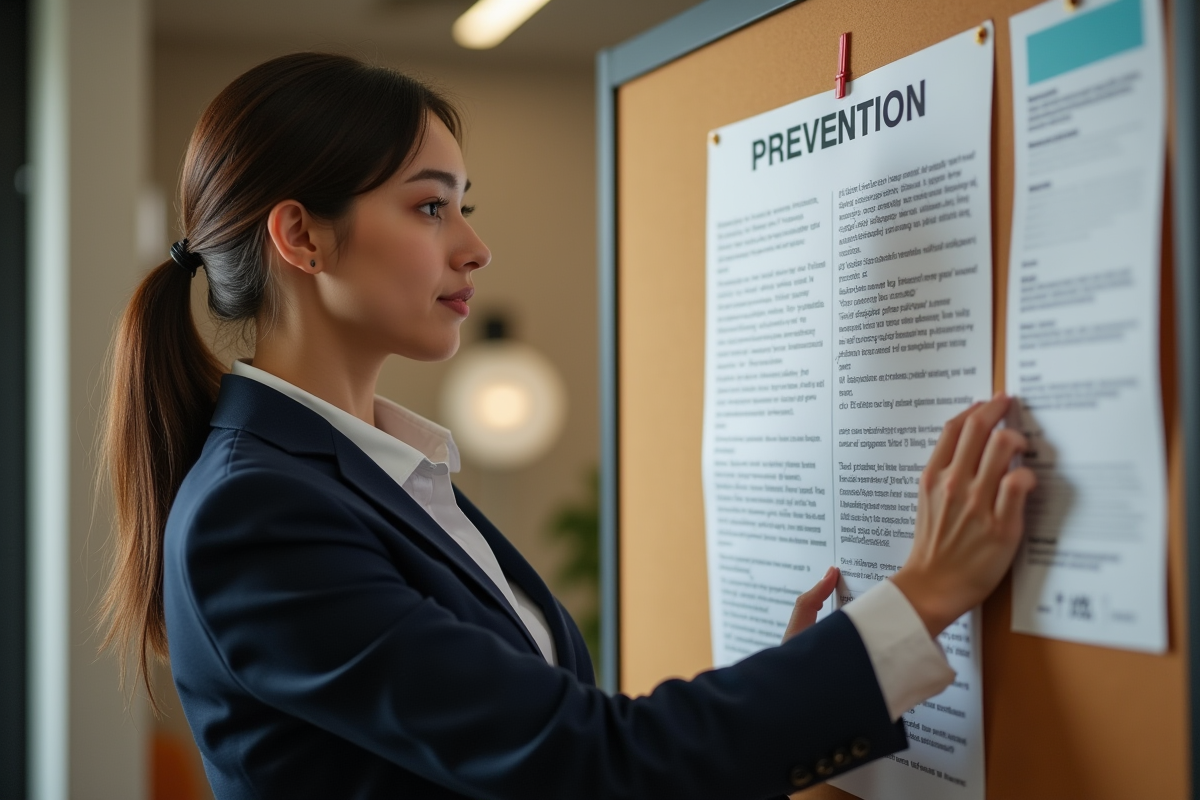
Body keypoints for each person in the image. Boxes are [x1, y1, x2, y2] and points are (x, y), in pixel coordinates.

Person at [100, 52, 1035, 800]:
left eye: (465, 206)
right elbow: (581, 765)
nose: (474, 245)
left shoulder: (368, 476)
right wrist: (925, 597)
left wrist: (801, 690)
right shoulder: (255, 512)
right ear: (301, 237)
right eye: (430, 206)